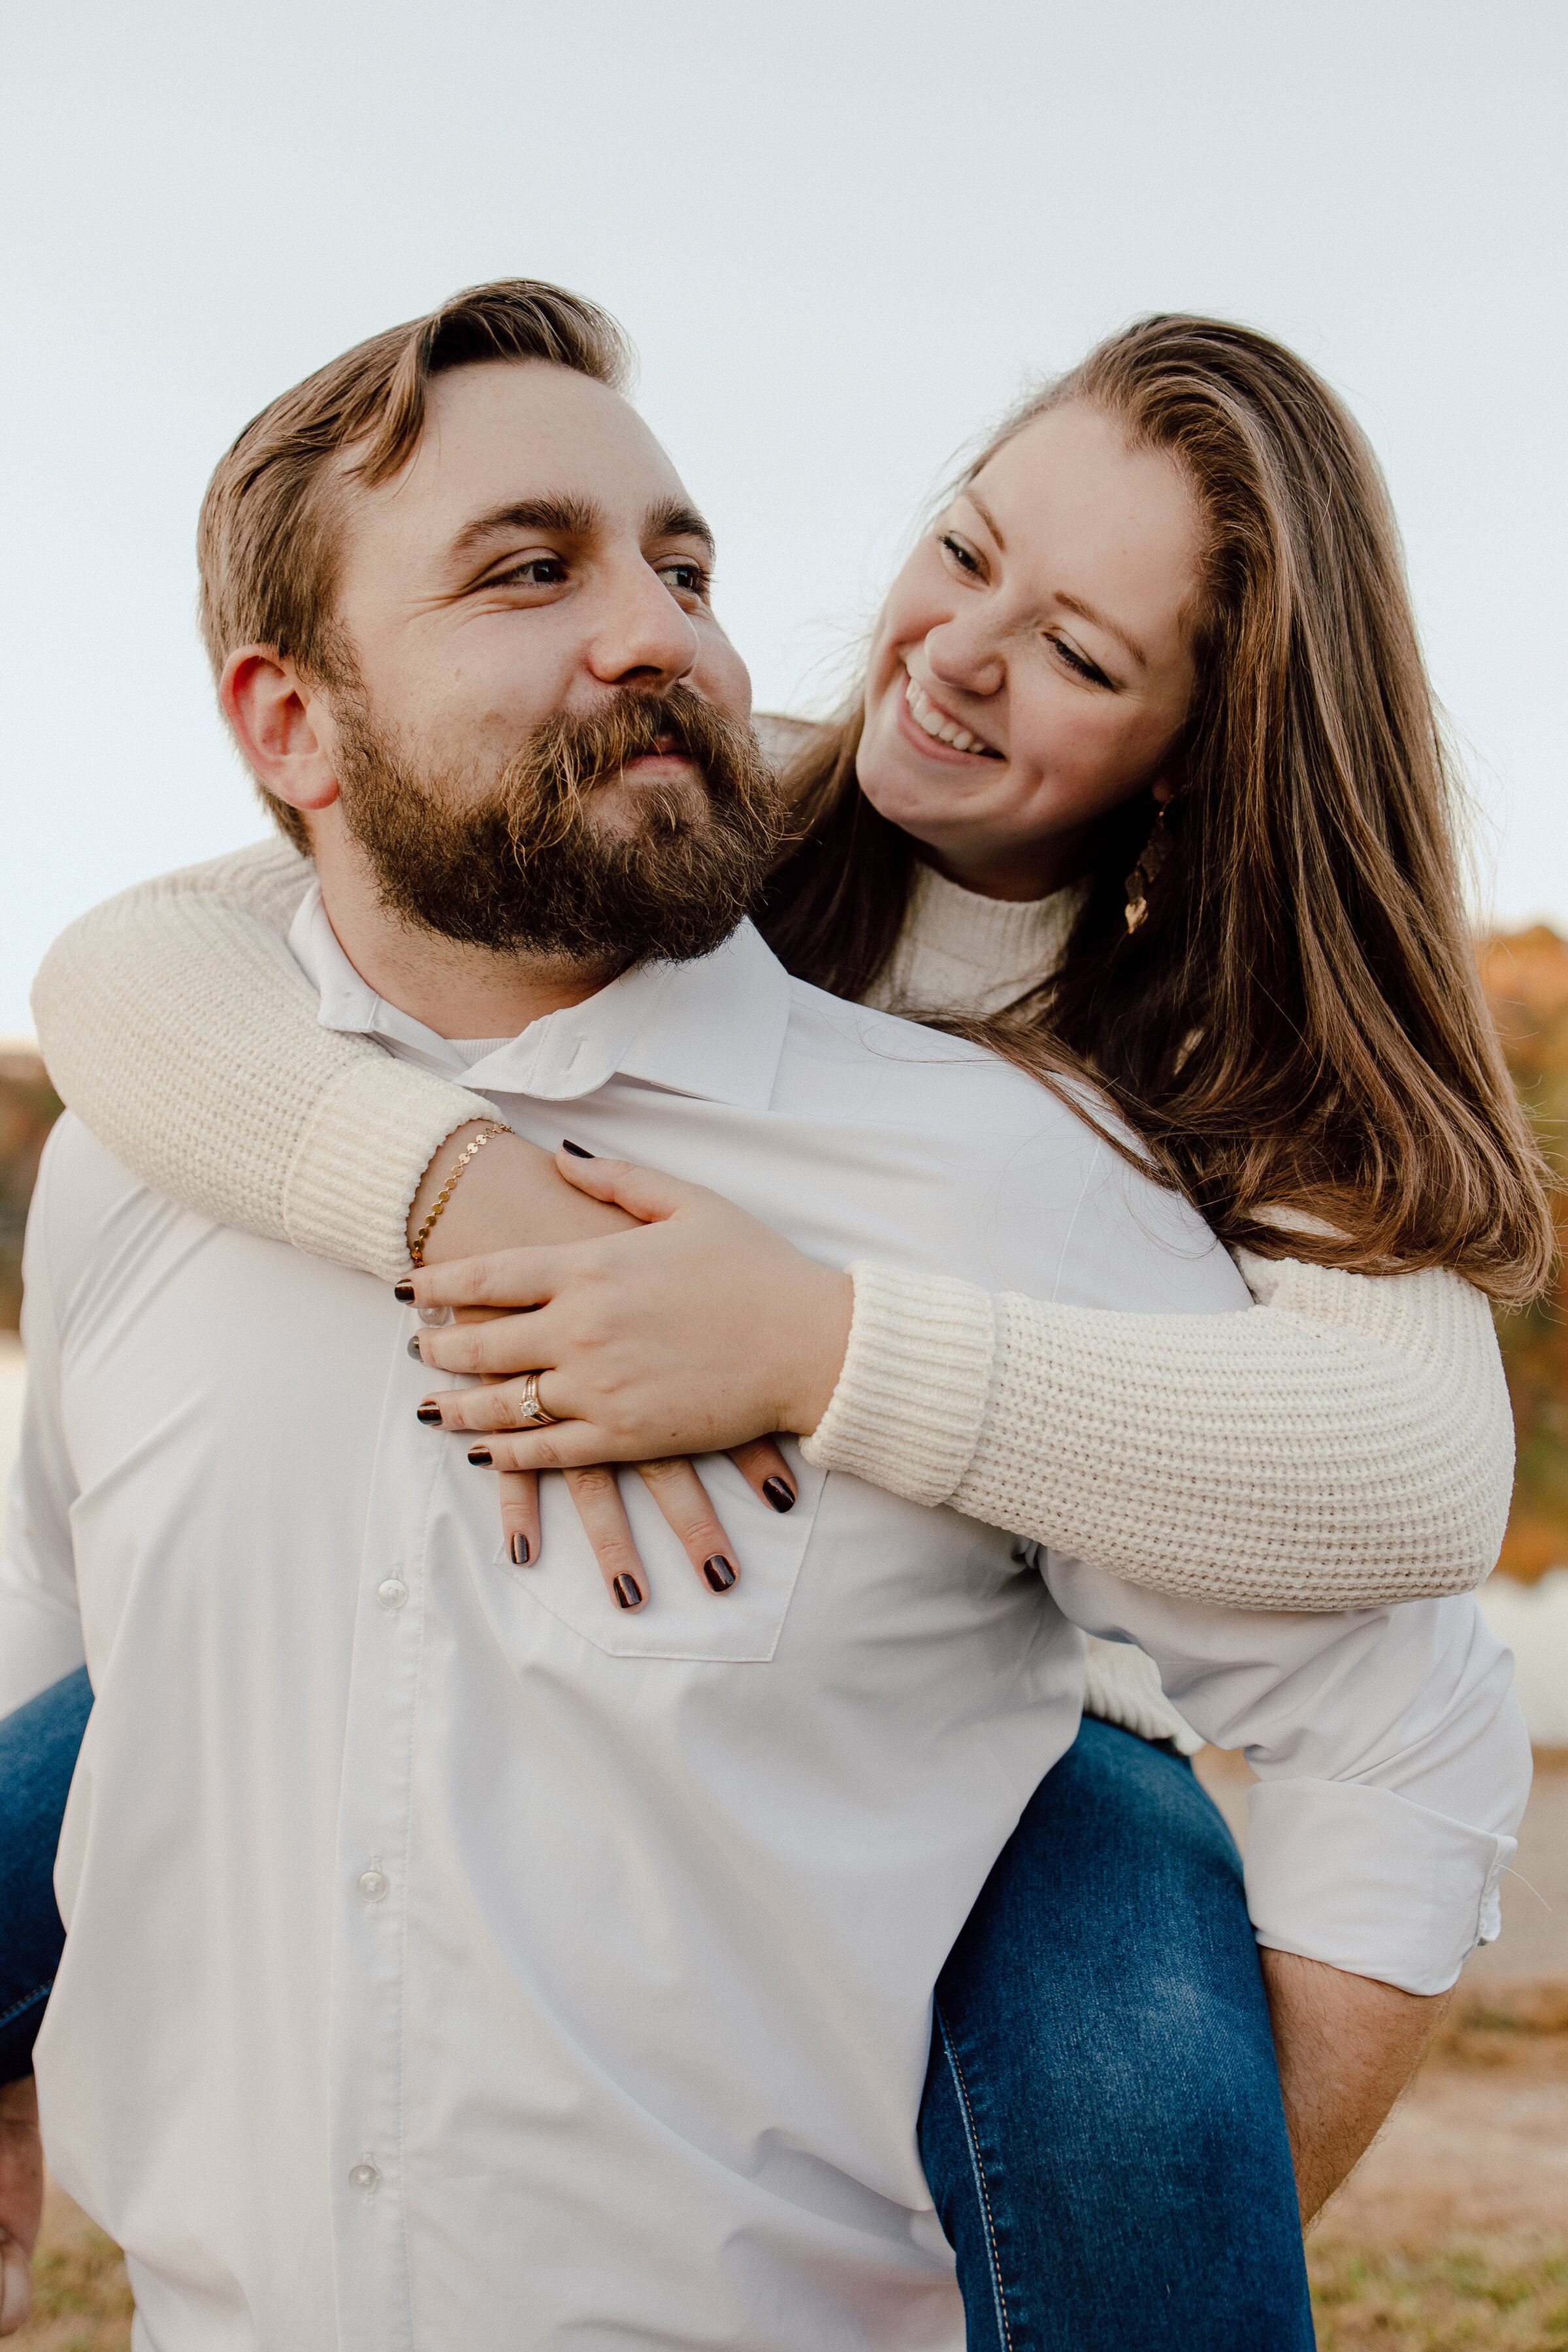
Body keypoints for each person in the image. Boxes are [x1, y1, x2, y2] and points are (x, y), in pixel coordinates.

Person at [0, 285, 1541, 2348]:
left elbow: (1422, 1514)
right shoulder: (683, 801)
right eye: (966, 552)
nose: (959, 661)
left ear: (1194, 762)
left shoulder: (1144, 1096)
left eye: (1081, 657)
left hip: (1035, 1699)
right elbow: (131, 964)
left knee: (1118, 1916)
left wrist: (823, 1349)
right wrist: (452, 1180)